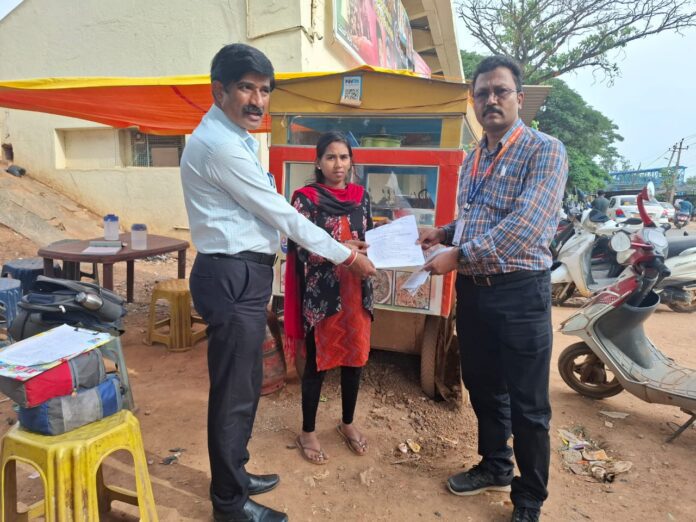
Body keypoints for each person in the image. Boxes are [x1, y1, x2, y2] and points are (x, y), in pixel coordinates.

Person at [180, 43, 376, 522]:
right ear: (219, 90)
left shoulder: (235, 138)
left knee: (246, 384)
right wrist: (348, 256)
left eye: (265, 90)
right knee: (233, 394)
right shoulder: (222, 147)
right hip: (231, 274)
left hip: (244, 273)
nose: (257, 100)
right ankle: (229, 504)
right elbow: (284, 216)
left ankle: (236, 474)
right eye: (246, 88)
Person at [419, 55, 568, 522]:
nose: (491, 100)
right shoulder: (474, 157)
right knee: (483, 386)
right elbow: (474, 217)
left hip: (520, 293)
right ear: (474, 101)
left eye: (500, 91)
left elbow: (526, 226)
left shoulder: (545, 151)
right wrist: (444, 233)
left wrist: (458, 255)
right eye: (482, 93)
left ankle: (529, 497)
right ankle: (495, 465)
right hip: (475, 293)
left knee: (529, 403)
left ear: (519, 98)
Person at [284, 131, 373, 464]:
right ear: (318, 162)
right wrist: (341, 250)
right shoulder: (305, 200)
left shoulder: (361, 197)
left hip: (356, 291)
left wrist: (374, 247)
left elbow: (368, 235)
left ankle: (347, 423)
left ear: (351, 162)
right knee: (317, 364)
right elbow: (301, 247)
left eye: (344, 157)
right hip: (322, 295)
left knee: (355, 359)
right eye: (331, 157)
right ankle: (307, 431)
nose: (338, 164)